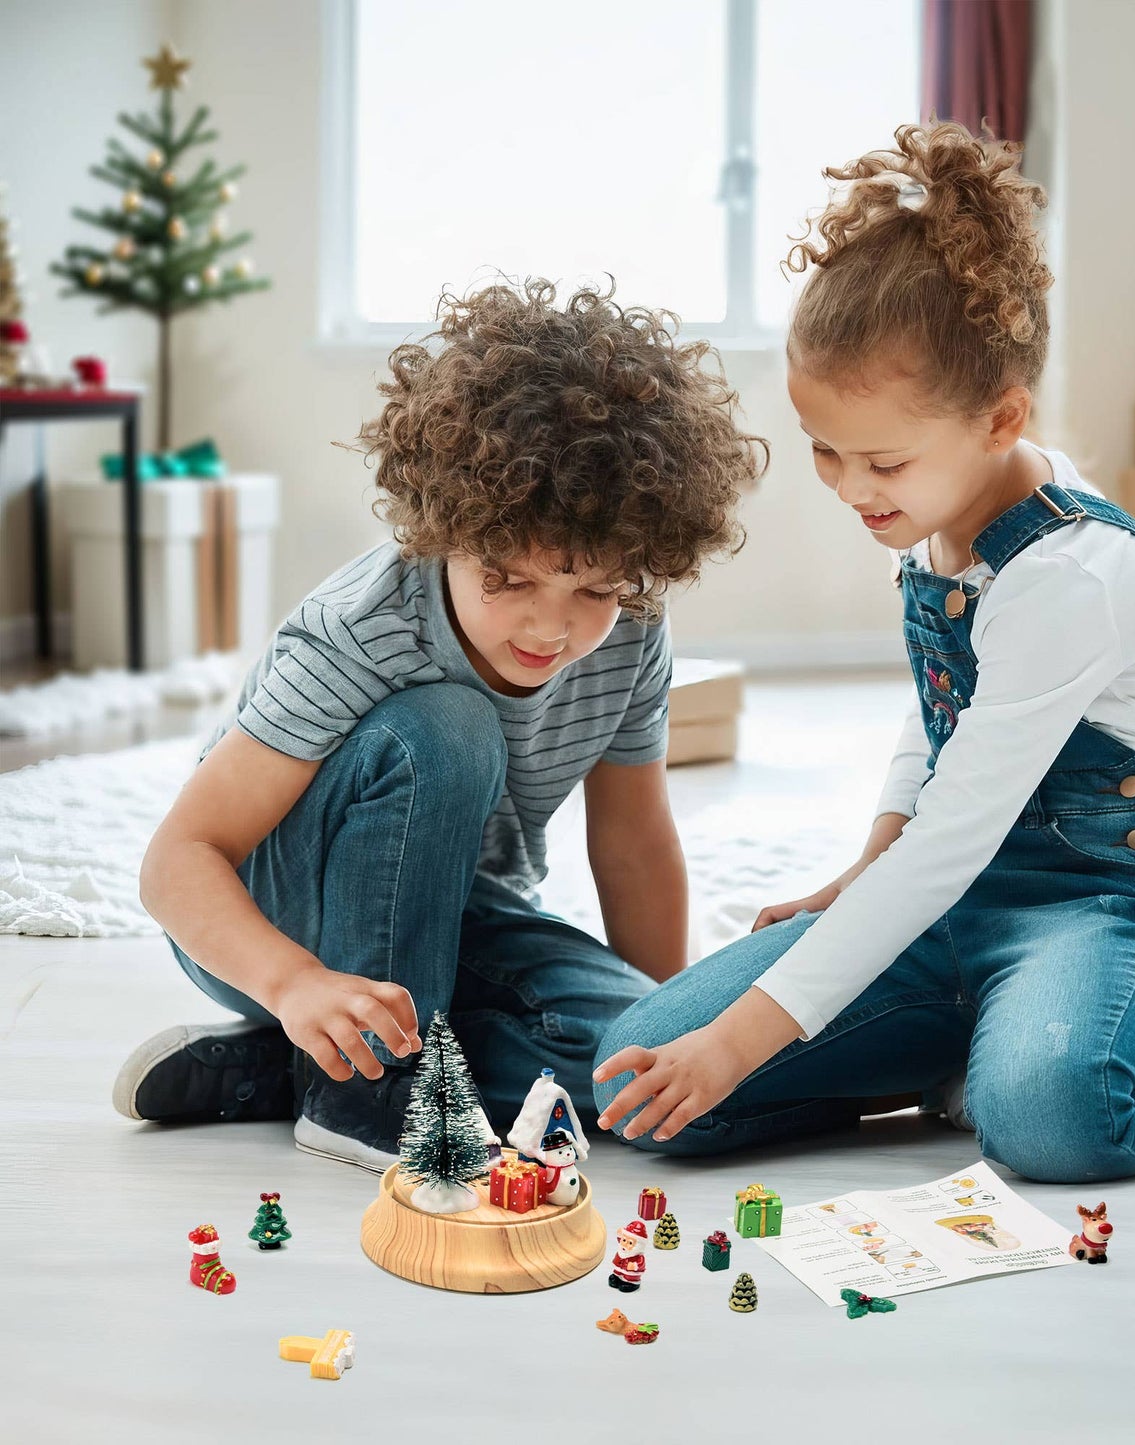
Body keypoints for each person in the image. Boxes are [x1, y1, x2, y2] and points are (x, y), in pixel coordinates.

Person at [593, 122, 1135, 1183]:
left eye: (881, 460)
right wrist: (864, 866)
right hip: (960, 897)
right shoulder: (936, 514)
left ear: (1000, 417)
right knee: (633, 1081)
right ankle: (972, 1039)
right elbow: (940, 711)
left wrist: (740, 1043)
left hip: (1116, 902)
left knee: (1052, 1117)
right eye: (824, 449)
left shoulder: (1069, 579)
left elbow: (950, 838)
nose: (852, 489)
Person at [113, 278, 765, 1171]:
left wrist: (668, 1010)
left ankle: (288, 1069)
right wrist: (293, 982)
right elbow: (177, 860)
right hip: (276, 927)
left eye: (594, 591)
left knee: (636, 1060)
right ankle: (356, 1093)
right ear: (446, 525)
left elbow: (634, 843)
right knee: (448, 727)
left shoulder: (632, 636)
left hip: (457, 918)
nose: (552, 627)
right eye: (511, 579)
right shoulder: (362, 626)